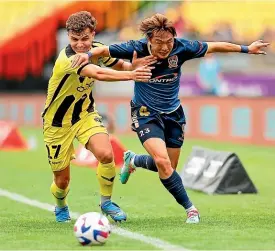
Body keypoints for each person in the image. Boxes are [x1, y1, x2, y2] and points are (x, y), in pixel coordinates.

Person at [72, 13, 269, 224]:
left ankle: (134, 160)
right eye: (159, 43)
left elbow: (214, 46)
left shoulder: (182, 48)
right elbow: (104, 50)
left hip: (174, 113)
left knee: (168, 168)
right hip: (145, 113)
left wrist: (248, 49)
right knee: (163, 162)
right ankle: (191, 209)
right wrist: (87, 54)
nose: (165, 47)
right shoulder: (135, 47)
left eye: (169, 42)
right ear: (149, 40)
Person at [42, 11, 155, 223]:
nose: (80, 45)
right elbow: (98, 74)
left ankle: (106, 203)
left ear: (93, 34)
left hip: (85, 115)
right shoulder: (67, 59)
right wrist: (132, 76)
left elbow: (118, 65)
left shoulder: (98, 49)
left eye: (85, 39)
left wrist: (132, 67)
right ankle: (61, 205)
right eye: (75, 39)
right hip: (56, 123)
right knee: (62, 180)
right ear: (68, 37)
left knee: (106, 154)